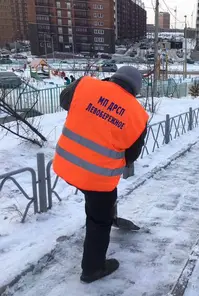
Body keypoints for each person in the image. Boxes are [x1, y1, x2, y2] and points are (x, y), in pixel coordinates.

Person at [53, 66, 149, 283]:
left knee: (97, 200)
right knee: (99, 219)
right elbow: (131, 156)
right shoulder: (137, 115)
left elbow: (65, 101)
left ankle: (105, 213)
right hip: (99, 177)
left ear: (113, 78)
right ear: (135, 91)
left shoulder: (86, 85)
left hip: (66, 164)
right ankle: (92, 269)